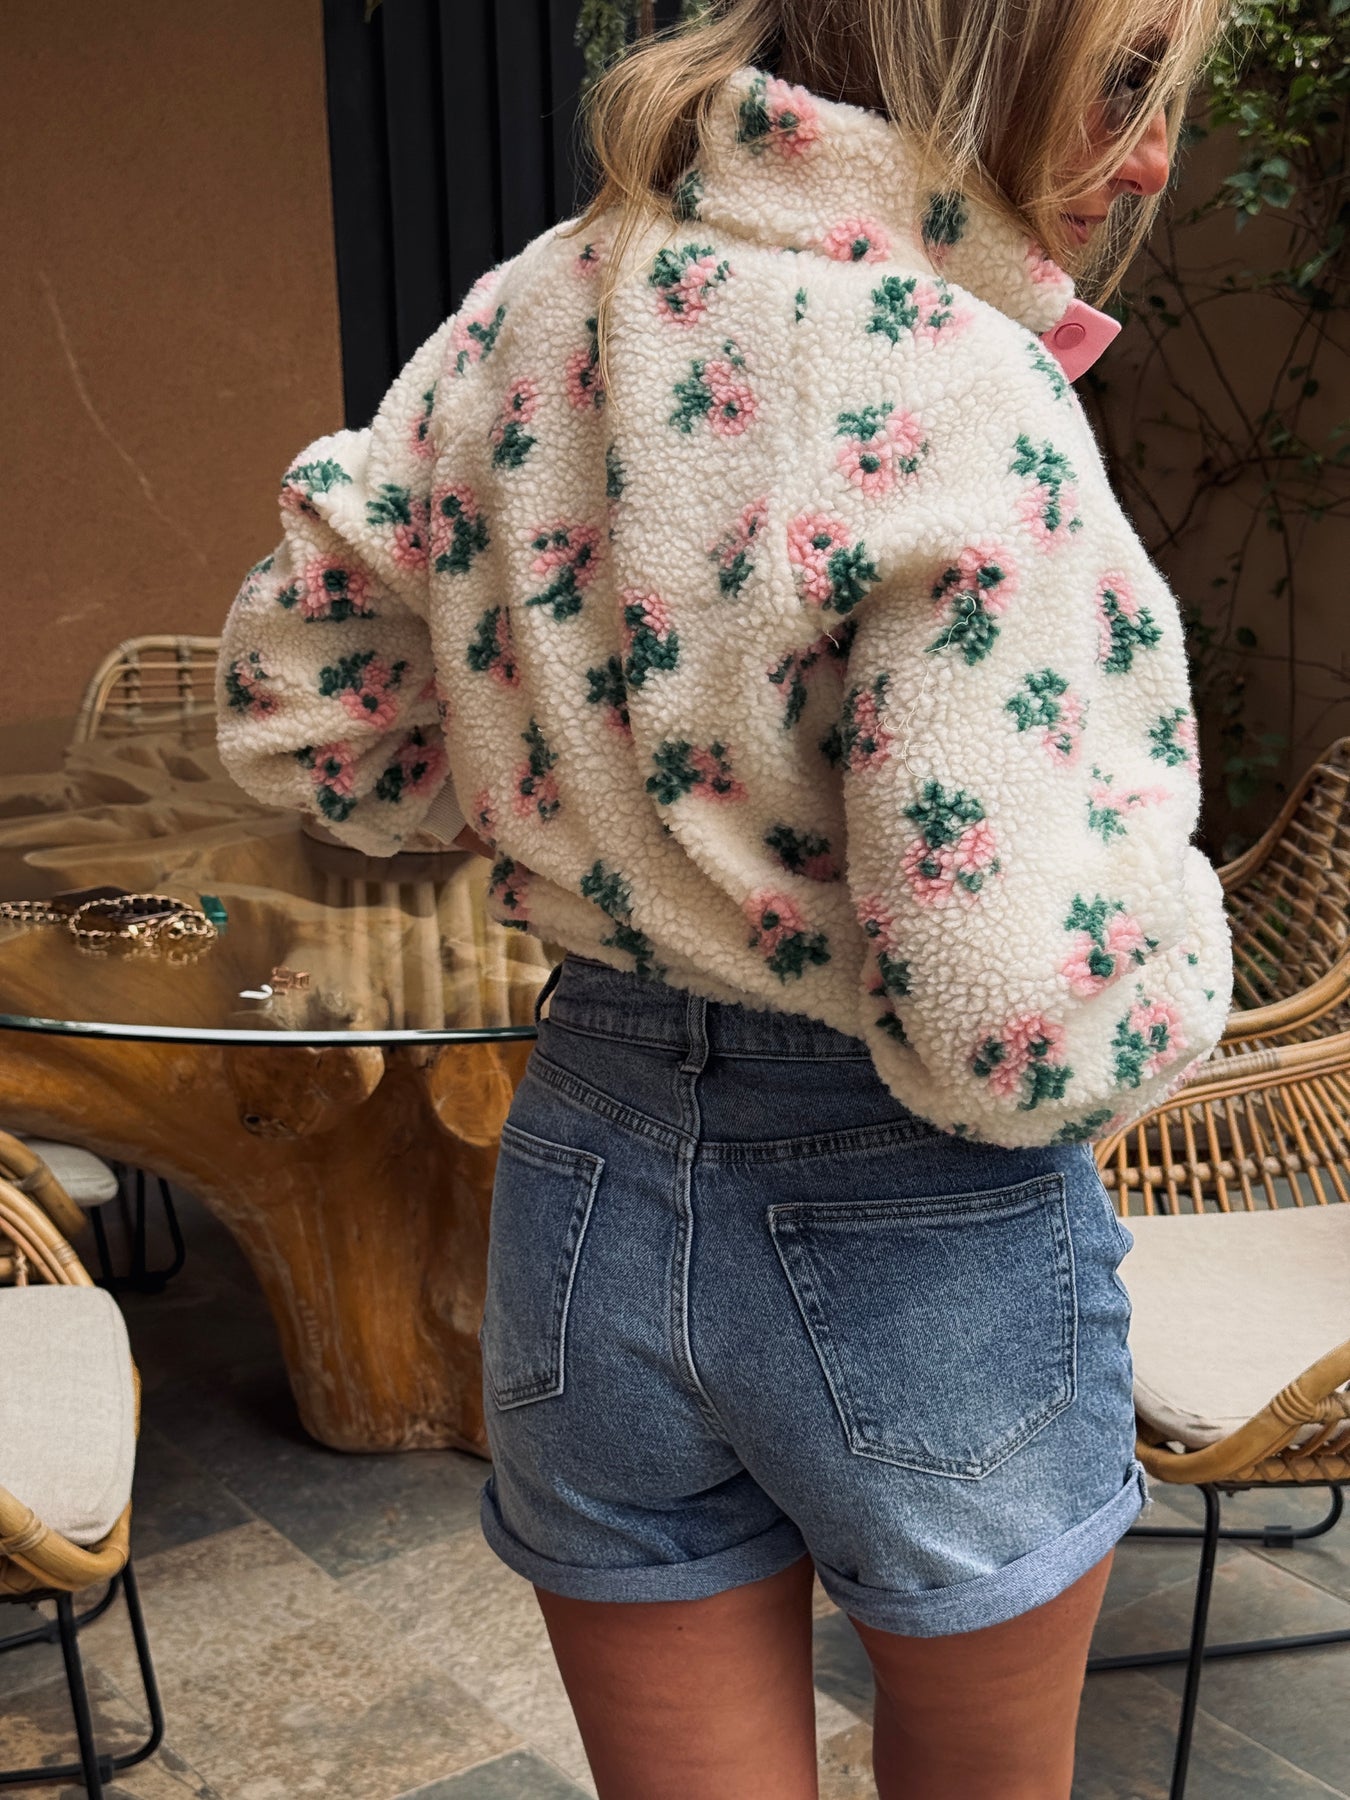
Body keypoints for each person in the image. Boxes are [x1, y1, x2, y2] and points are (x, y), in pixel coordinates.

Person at [216, 2, 1234, 1792]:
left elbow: (306, 714)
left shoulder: (531, 305)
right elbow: (1010, 1027)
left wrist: (570, 798)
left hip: (584, 1172)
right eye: (1127, 72)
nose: (1149, 157)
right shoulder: (961, 383)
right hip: (920, 1215)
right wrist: (1178, 947)